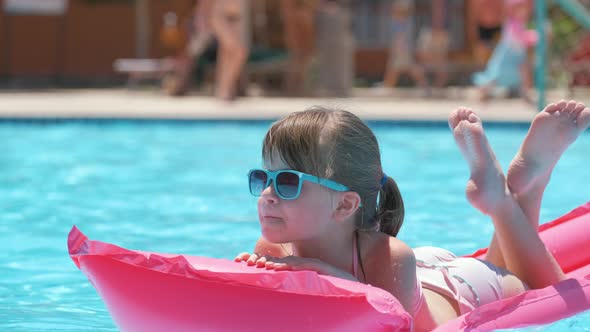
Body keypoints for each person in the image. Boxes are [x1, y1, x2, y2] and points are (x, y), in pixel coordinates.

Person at [235, 99, 590, 330]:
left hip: (463, 288)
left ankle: (517, 190)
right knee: (516, 262)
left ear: (344, 205)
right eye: (261, 178)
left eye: (286, 182)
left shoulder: (389, 255)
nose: (266, 195)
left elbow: (398, 327)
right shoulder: (272, 248)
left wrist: (328, 275)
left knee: (545, 288)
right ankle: (508, 190)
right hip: (424, 272)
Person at [472, 0, 537, 102]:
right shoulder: (512, 23)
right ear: (512, 11)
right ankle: (482, 91)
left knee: (524, 72)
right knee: (496, 77)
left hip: (516, 57)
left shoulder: (519, 23)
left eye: (526, 9)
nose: (525, 12)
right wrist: (536, 36)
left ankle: (526, 93)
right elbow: (521, 38)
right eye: (521, 9)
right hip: (507, 57)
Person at [383, 0, 428, 91]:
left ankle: (387, 87)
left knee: (404, 68)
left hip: (402, 50)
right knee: (394, 70)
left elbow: (400, 37)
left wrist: (397, 49)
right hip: (400, 50)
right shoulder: (398, 22)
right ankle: (387, 87)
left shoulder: (404, 22)